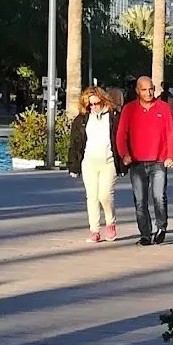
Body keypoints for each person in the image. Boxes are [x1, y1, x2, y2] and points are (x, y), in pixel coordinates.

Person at [116, 73, 173, 245]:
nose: (148, 93)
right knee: (140, 201)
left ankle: (161, 228)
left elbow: (170, 133)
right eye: (144, 90)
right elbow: (121, 134)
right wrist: (124, 154)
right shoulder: (129, 109)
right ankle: (145, 234)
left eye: (151, 89)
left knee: (159, 197)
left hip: (158, 161)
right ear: (137, 90)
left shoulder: (163, 108)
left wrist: (170, 156)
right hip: (137, 163)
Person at [66, 86, 123, 244]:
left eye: (96, 103)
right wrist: (73, 165)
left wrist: (124, 160)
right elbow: (75, 143)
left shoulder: (113, 117)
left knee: (104, 195)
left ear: (103, 101)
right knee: (91, 196)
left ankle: (110, 222)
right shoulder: (82, 120)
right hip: (89, 162)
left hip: (108, 161)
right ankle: (94, 230)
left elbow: (121, 139)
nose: (93, 107)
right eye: (89, 105)